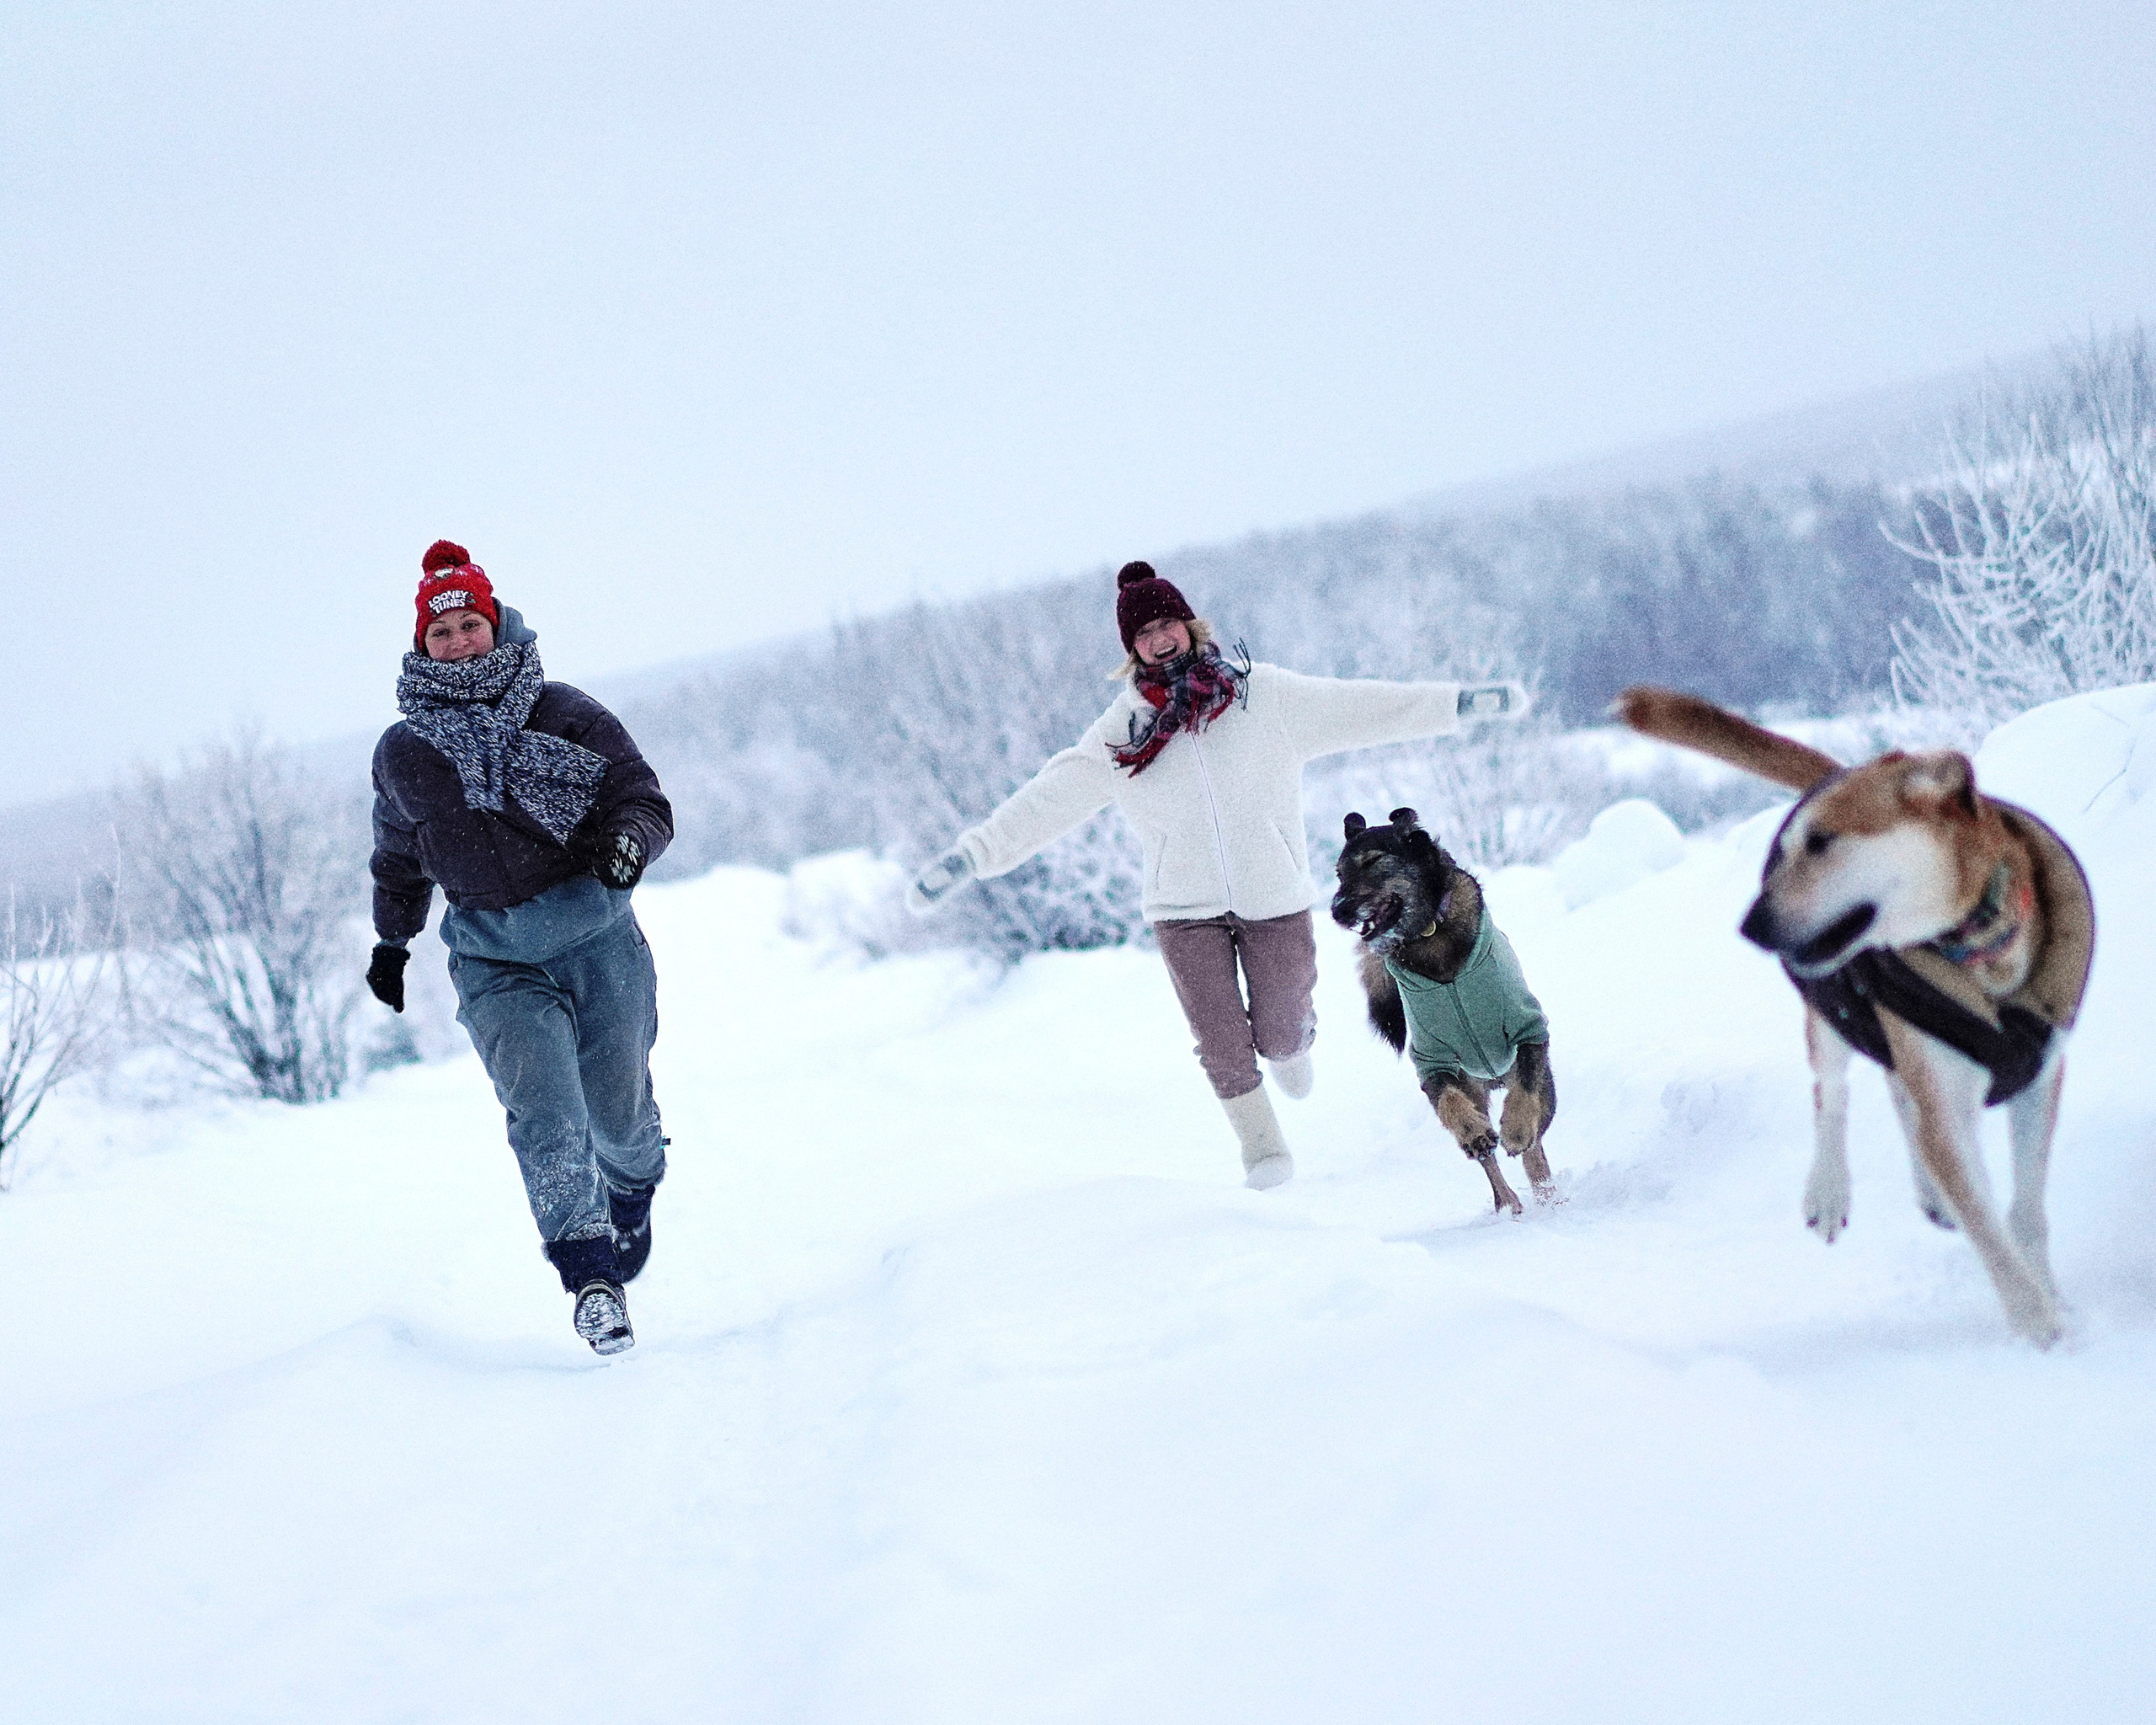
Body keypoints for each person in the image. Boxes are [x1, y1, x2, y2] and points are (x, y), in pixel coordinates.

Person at [906, 560, 1529, 1189]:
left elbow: (1358, 706)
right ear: (1130, 650)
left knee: (1281, 1032)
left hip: (1272, 894)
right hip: (1182, 909)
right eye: (1142, 634)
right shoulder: (1122, 734)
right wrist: (973, 856)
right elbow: (1052, 796)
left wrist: (1456, 704)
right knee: (1220, 1041)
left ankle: (1290, 1046)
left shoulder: (1264, 697)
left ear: (1190, 624)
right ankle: (1264, 1152)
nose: (1158, 640)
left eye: (1166, 624)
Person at [366, 541, 674, 1354]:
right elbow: (397, 855)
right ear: (422, 646)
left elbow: (642, 801)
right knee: (545, 1115)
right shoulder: (405, 752)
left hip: (597, 938)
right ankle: (591, 1279)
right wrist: (392, 942)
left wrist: (628, 847)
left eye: (470, 624)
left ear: (496, 626)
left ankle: (633, 1188)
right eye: (441, 633)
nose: (458, 641)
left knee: (618, 1116)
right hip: (495, 960)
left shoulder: (565, 713)